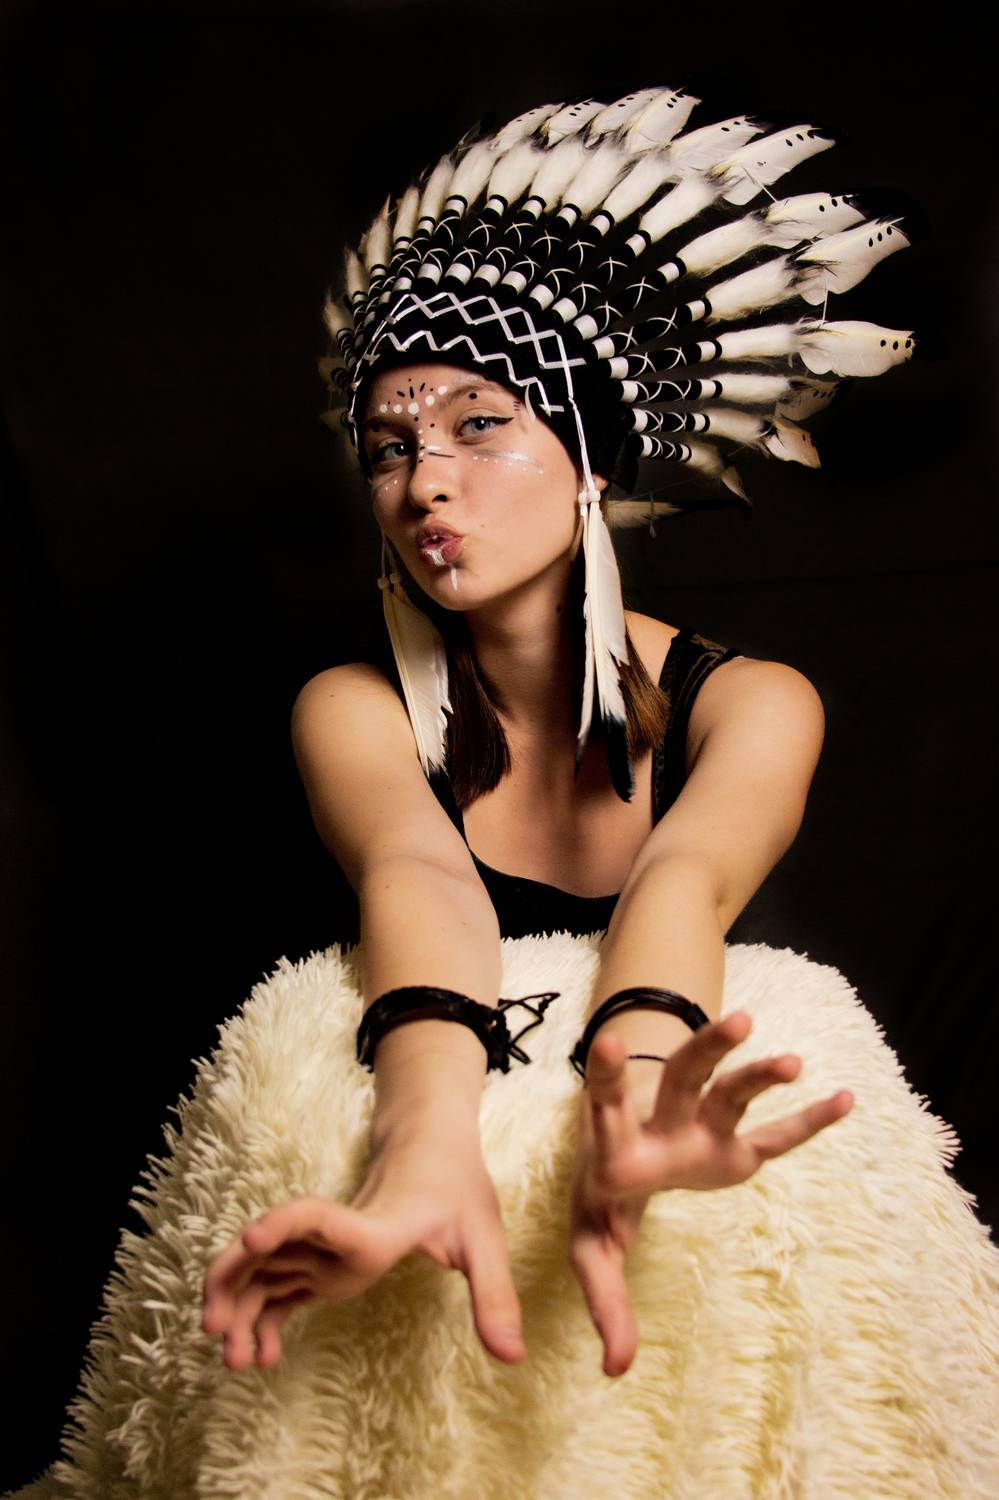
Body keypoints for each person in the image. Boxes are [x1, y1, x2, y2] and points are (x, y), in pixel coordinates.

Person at [36, 86, 999, 1500]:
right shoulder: (352, 705)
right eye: (390, 446)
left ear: (591, 467)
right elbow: (417, 876)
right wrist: (424, 1141)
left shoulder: (755, 701)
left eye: (479, 426)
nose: (425, 481)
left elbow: (685, 884)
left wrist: (640, 1088)